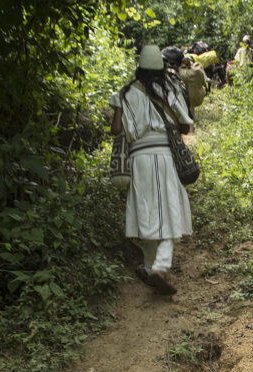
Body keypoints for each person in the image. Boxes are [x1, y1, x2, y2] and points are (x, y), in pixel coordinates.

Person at [108, 45, 194, 295]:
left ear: (139, 68)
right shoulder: (170, 88)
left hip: (138, 159)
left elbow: (116, 130)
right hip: (165, 156)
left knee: (145, 211)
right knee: (170, 212)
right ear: (160, 67)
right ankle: (161, 265)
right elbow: (186, 128)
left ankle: (148, 266)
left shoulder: (124, 93)